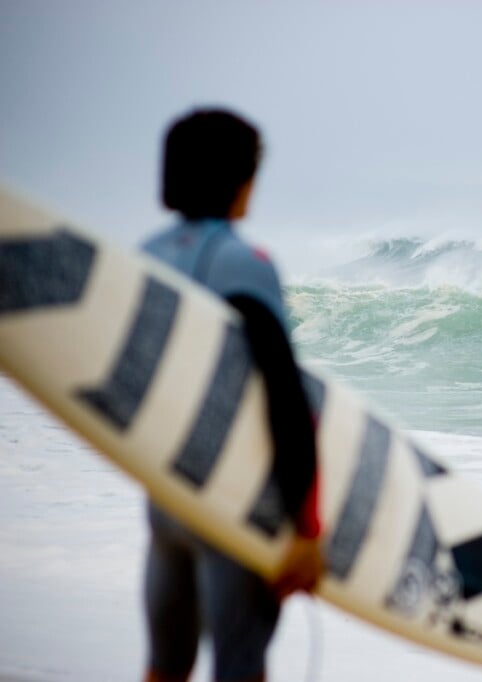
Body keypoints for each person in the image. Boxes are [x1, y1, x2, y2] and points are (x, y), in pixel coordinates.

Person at [141, 108, 323, 682]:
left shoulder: (146, 255)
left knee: (166, 667)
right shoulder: (243, 264)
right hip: (231, 505)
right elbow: (285, 400)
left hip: (166, 500)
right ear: (242, 182)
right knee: (239, 671)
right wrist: (306, 529)